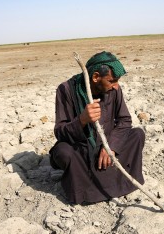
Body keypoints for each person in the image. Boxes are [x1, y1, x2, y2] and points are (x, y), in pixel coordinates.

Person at [49, 51, 145, 204]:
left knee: (138, 134)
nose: (116, 86)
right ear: (95, 78)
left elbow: (124, 120)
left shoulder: (114, 90)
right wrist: (81, 120)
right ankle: (88, 188)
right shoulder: (66, 89)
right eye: (112, 81)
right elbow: (60, 132)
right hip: (82, 149)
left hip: (106, 146)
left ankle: (109, 177)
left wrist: (111, 147)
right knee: (63, 152)